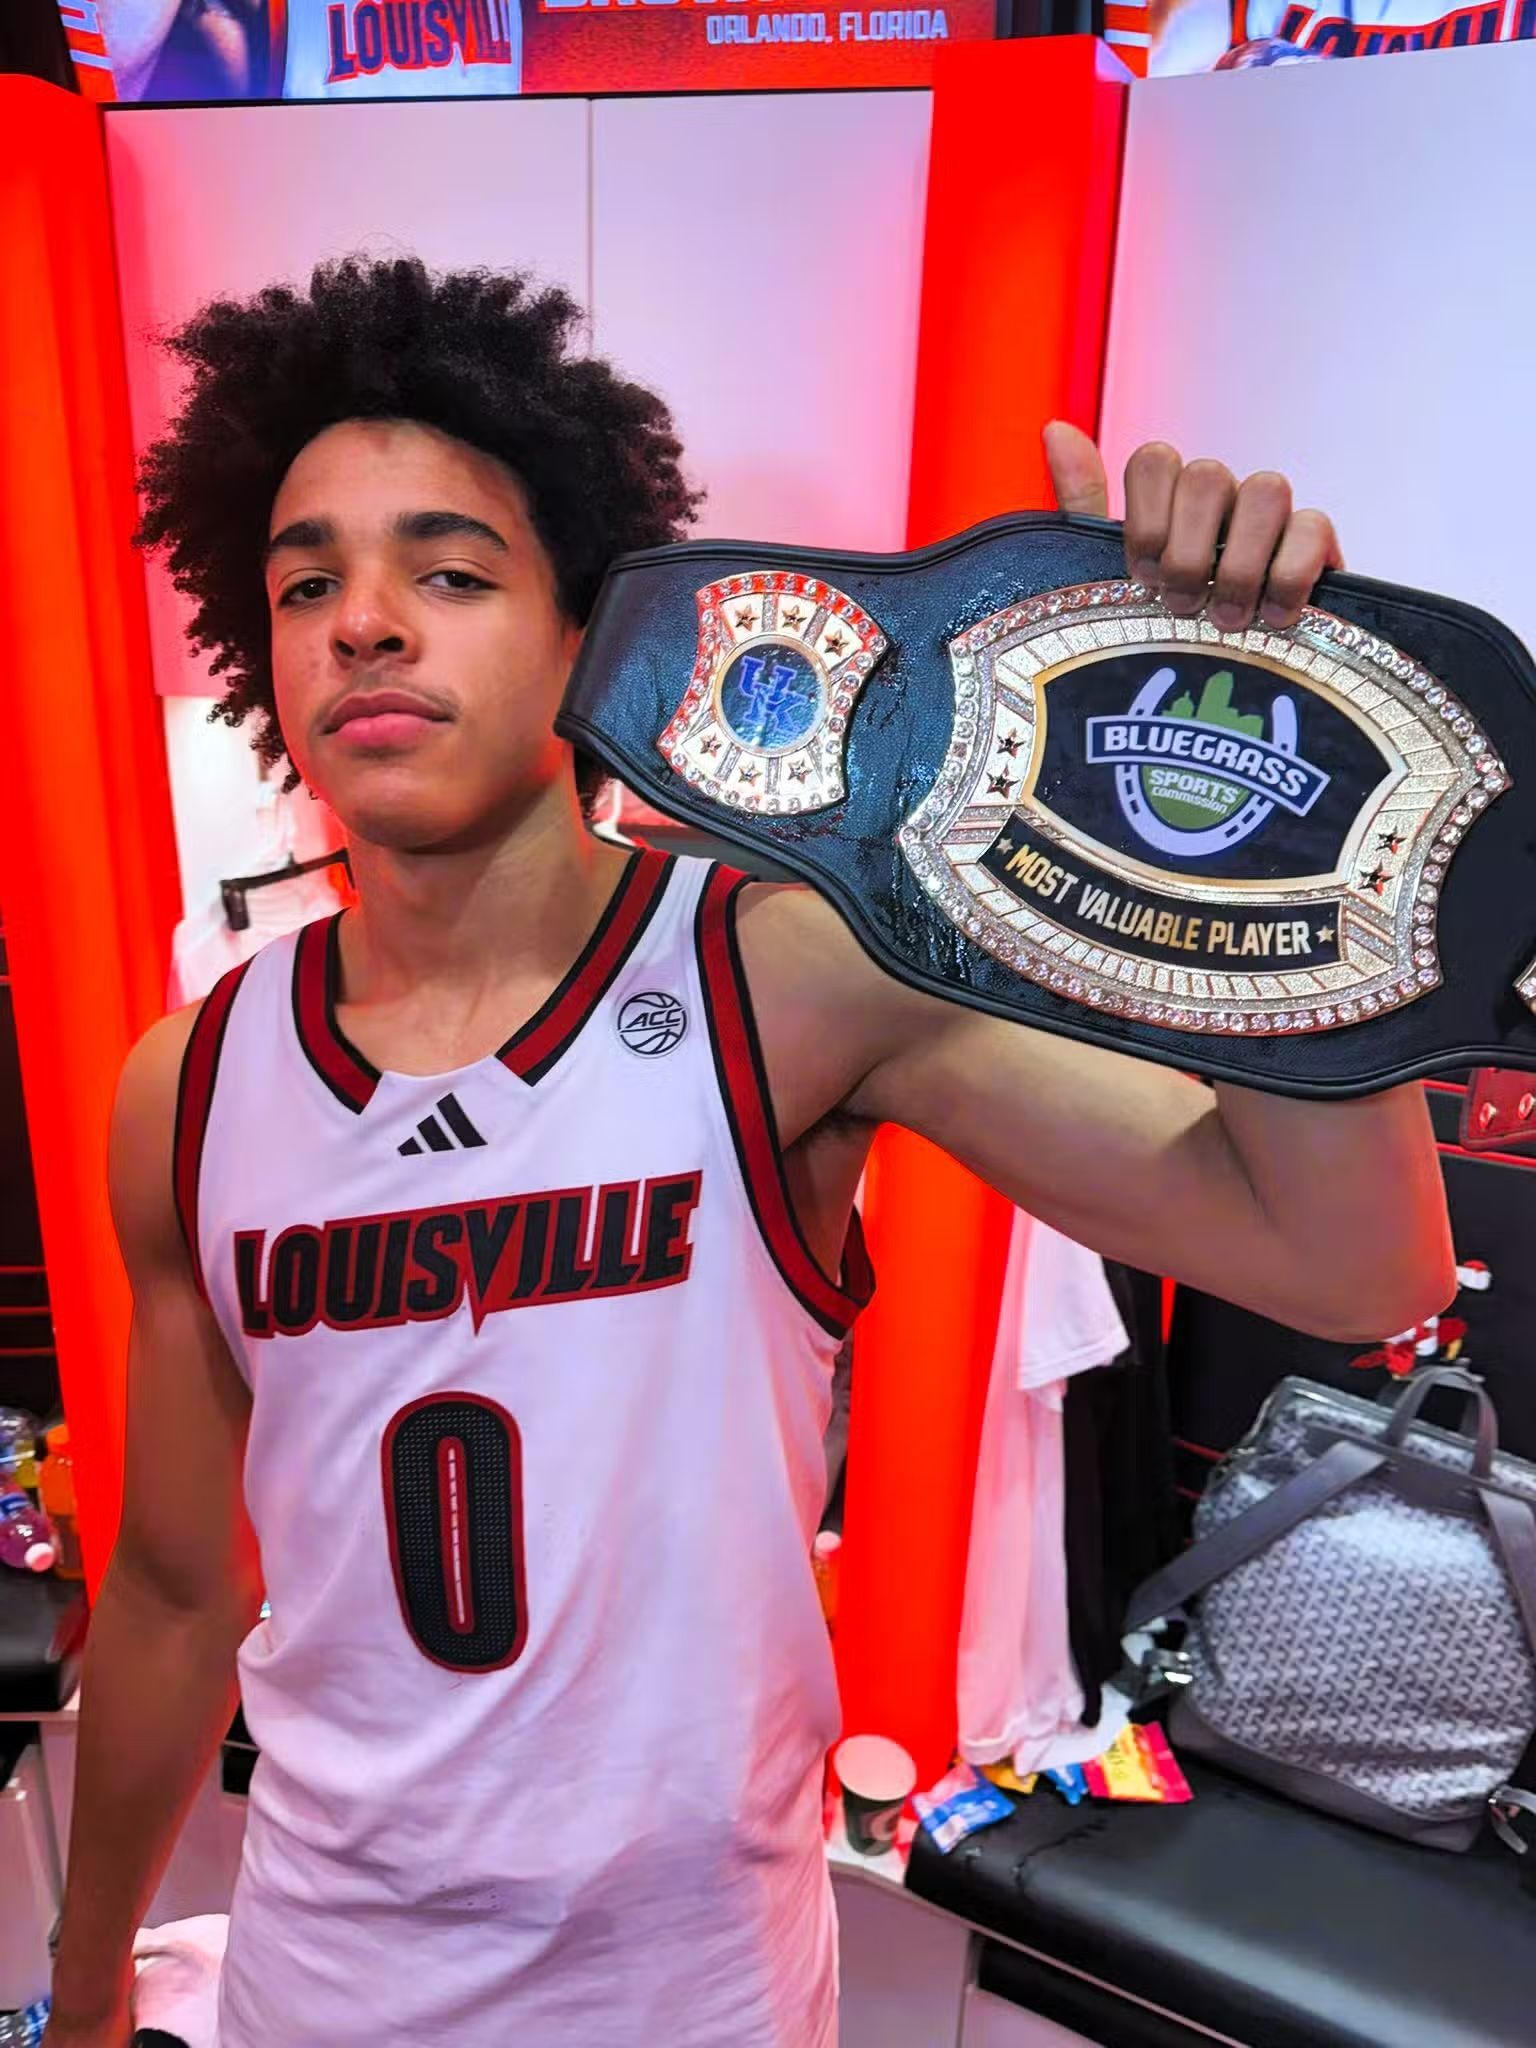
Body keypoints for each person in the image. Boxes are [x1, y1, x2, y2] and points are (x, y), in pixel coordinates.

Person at [44, 256, 1453, 2048]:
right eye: (307, 581)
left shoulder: (779, 974)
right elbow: (175, 1595)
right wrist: (84, 1999)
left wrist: (1266, 764)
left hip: (692, 1994)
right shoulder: (192, 1081)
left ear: (588, 637)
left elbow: (1358, 1268)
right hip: (321, 1977)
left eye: (451, 572)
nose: (367, 622)